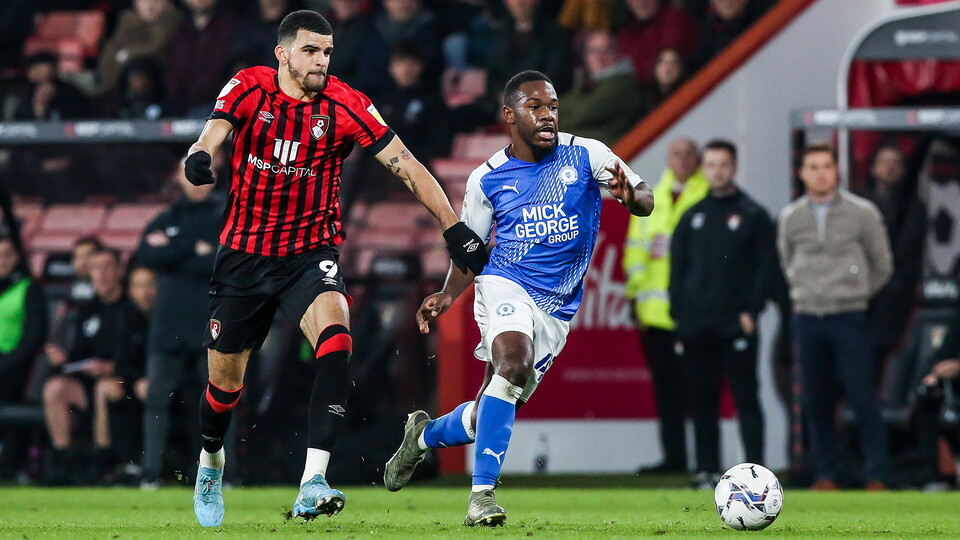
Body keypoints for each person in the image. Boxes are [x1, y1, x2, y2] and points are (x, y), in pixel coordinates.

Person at [183, 10, 487, 527]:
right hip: (244, 257)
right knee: (224, 389)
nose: (321, 61)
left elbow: (407, 165)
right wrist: (199, 156)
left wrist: (453, 227)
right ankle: (211, 461)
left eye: (326, 52)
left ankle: (313, 481)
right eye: (310, 51)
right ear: (283, 53)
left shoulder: (346, 103)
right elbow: (213, 133)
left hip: (309, 253)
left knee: (336, 338)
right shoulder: (248, 87)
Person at [383, 70, 654, 526]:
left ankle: (424, 435)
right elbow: (471, 250)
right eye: (536, 107)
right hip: (504, 283)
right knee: (512, 363)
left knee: (494, 405)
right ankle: (482, 498)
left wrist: (632, 198)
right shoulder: (486, 179)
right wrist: (448, 294)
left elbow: (644, 197)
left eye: (552, 107)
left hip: (557, 307)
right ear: (510, 115)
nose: (547, 116)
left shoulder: (586, 154)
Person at [778, 143, 893, 490]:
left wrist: (855, 292)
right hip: (808, 317)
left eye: (826, 165)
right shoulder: (791, 217)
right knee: (815, 399)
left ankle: (877, 472)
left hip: (850, 316)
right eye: (812, 167)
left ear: (837, 171)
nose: (820, 173)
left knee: (862, 396)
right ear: (802, 173)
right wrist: (806, 291)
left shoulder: (863, 213)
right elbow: (787, 262)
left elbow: (882, 265)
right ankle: (826, 473)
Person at [669, 140, 773, 488]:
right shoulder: (692, 214)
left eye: (724, 164)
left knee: (746, 397)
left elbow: (765, 268)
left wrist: (753, 309)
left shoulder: (753, 214)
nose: (718, 170)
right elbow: (677, 270)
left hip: (736, 323)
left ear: (735, 167)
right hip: (698, 324)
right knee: (702, 400)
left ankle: (757, 471)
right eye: (711, 164)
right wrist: (679, 315)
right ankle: (707, 469)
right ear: (704, 168)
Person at [623, 137, 707, 473]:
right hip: (655, 314)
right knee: (668, 392)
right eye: (677, 154)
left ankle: (706, 462)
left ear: (697, 159)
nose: (683, 160)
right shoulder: (650, 198)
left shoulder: (706, 195)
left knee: (701, 391)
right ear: (668, 159)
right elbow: (634, 252)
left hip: (696, 313)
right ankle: (675, 460)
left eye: (689, 154)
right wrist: (634, 297)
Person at [136, 159, 222, 488]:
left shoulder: (224, 213)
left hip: (210, 321)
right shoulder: (166, 216)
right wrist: (193, 249)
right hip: (168, 324)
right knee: (157, 398)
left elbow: (222, 259)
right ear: (177, 176)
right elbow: (145, 254)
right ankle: (150, 473)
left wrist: (173, 250)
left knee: (218, 401)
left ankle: (220, 473)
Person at [41, 248, 148, 485]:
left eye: (107, 267)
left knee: (105, 388)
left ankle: (102, 463)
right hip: (88, 380)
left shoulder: (132, 310)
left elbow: (140, 357)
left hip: (124, 381)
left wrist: (112, 366)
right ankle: (63, 461)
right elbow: (80, 352)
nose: (101, 274)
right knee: (55, 388)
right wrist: (64, 359)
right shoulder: (88, 309)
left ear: (119, 271)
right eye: (95, 268)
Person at [861, 144, 925, 381]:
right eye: (884, 162)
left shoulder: (913, 208)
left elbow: (906, 251)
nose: (889, 168)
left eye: (895, 163)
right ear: (873, 167)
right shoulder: (857, 203)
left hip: (893, 297)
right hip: (857, 296)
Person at [559, 30, 642, 146]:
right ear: (585, 56)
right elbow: (559, 105)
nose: (599, 57)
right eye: (593, 51)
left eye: (606, 51)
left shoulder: (621, 83)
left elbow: (581, 115)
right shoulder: (587, 81)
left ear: (616, 53)